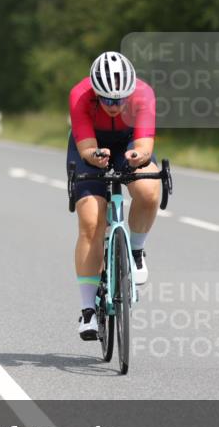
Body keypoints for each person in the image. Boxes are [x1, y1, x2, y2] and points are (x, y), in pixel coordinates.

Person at [68, 52, 161, 340]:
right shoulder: (80, 96)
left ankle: (135, 250)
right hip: (91, 147)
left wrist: (137, 157)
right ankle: (87, 312)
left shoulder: (144, 94)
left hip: (129, 143)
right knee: (92, 221)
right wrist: (94, 156)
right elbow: (85, 147)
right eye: (107, 99)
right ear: (96, 91)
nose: (113, 105)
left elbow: (145, 145)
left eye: (120, 100)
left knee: (148, 189)